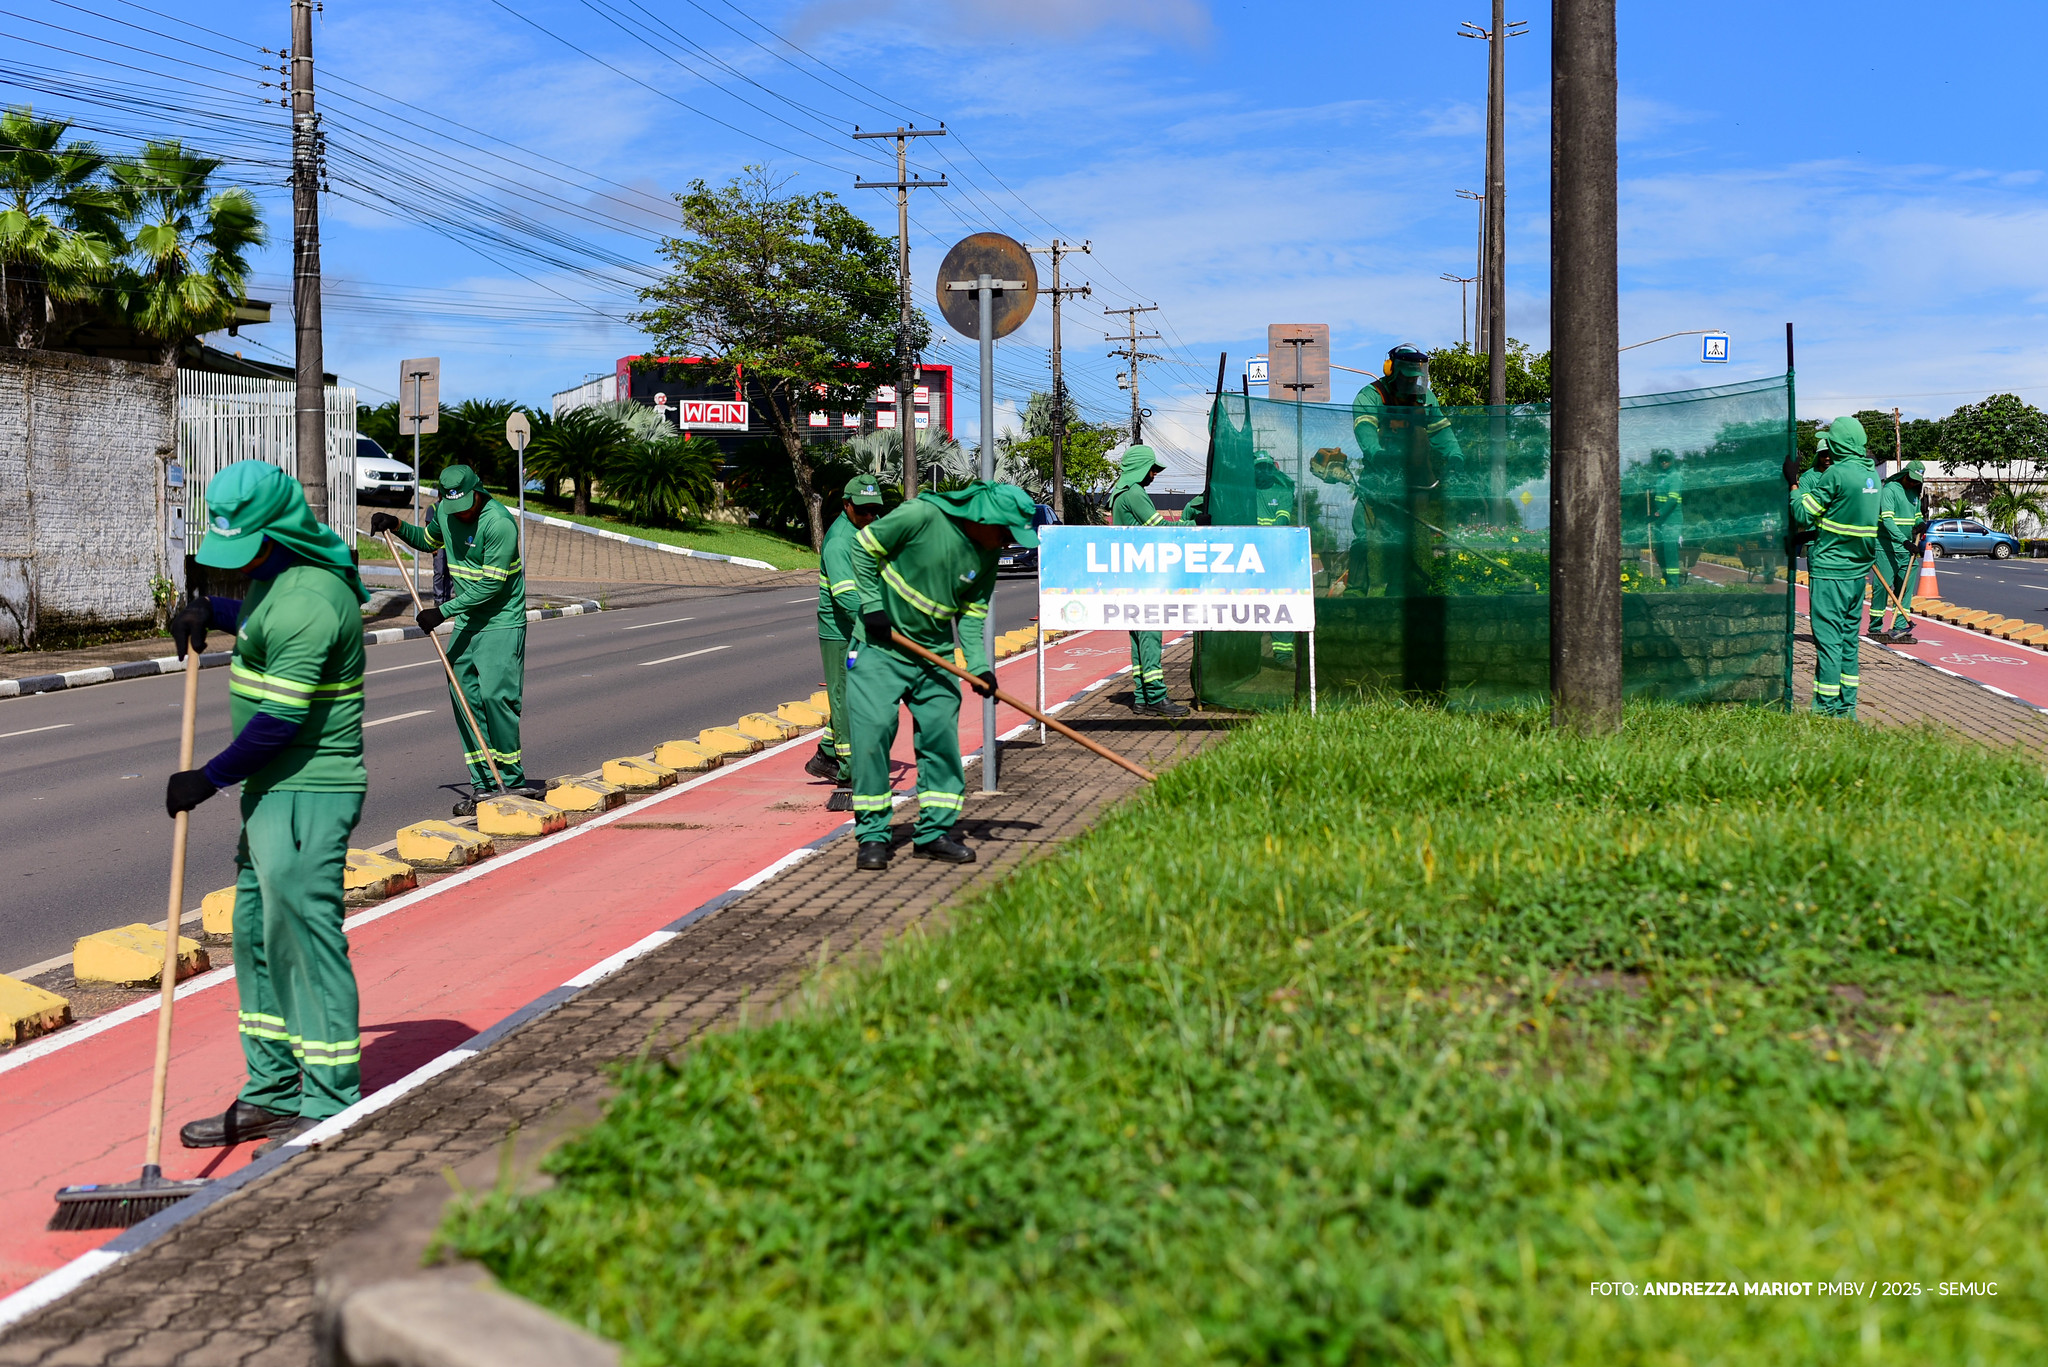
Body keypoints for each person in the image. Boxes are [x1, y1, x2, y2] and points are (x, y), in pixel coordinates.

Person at [164, 461, 369, 1153]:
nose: (237, 564)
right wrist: (211, 613)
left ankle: (331, 1097)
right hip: (271, 793)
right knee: (255, 935)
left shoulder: (313, 596)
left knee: (302, 940)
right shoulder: (275, 578)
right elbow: (259, 621)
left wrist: (207, 777)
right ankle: (274, 1089)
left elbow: (279, 722)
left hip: (308, 788)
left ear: (277, 529)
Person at [847, 480, 1040, 871]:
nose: (1007, 543)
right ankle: (872, 836)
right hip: (879, 648)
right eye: (1005, 533)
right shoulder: (921, 515)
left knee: (940, 740)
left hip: (933, 655)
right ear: (984, 518)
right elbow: (862, 548)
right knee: (872, 738)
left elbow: (971, 616)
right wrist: (871, 605)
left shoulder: (986, 556)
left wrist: (979, 666)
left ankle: (934, 832)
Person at [369, 465, 539, 813]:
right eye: (452, 507)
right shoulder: (447, 515)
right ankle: (484, 783)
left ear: (478, 491)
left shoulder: (499, 524)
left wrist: (442, 612)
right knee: (464, 697)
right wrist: (397, 525)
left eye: (464, 507)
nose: (459, 514)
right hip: (467, 620)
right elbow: (426, 540)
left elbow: (491, 586)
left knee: (496, 698)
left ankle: (512, 779)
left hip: (501, 621)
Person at [1324, 344, 1465, 598]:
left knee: (1412, 541)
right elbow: (1365, 430)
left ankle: (1404, 594)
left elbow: (1442, 431)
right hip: (1378, 479)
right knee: (1366, 536)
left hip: (1415, 485)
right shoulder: (1371, 396)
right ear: (1391, 370)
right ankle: (1357, 591)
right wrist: (1377, 454)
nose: (1412, 383)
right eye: (1406, 377)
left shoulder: (1425, 398)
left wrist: (1455, 456)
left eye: (1416, 377)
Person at [1792, 416, 1881, 717]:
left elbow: (1803, 515)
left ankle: (1825, 711)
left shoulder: (1836, 475)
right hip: (1858, 573)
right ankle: (1847, 708)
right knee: (1847, 641)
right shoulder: (1872, 476)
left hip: (1830, 570)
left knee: (1828, 641)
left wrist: (1793, 486)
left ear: (1841, 444)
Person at [807, 473, 887, 808]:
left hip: (863, 625)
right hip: (841, 632)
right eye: (863, 510)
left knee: (863, 695)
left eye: (874, 510)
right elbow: (846, 598)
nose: (870, 516)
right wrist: (877, 624)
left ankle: (825, 754)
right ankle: (849, 772)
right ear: (846, 505)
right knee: (843, 700)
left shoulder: (869, 530)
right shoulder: (839, 541)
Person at [1111, 445, 1190, 717]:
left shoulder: (1118, 495)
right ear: (1140, 468)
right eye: (1152, 468)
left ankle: (1142, 697)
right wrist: (1194, 525)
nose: (1154, 474)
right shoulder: (1134, 493)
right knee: (1150, 635)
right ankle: (1156, 696)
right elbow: (1162, 529)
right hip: (1143, 575)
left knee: (1137, 637)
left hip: (1128, 574)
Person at [1871, 459, 1926, 644]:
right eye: (1910, 479)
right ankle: (1875, 627)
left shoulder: (1915, 493)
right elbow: (1887, 520)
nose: (1912, 483)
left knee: (1905, 590)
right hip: (1886, 548)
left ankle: (1900, 627)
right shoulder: (1889, 490)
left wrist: (1920, 524)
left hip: (1907, 550)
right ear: (1904, 475)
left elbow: (1916, 514)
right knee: (1882, 588)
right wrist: (1903, 540)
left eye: (1916, 481)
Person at [1251, 452, 1298, 665]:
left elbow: (1282, 520)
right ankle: (1248, 653)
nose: (1263, 471)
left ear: (1273, 468)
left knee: (1279, 602)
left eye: (1266, 467)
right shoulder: (1246, 492)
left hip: (1275, 556)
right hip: (1249, 557)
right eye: (1259, 467)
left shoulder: (1282, 491)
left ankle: (1283, 655)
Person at [1649, 449, 1685, 587]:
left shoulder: (1675, 476)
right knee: (1661, 552)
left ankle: (1673, 584)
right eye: (1661, 460)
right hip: (1660, 522)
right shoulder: (1660, 477)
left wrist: (1660, 513)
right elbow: (1658, 496)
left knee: (1670, 552)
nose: (1664, 462)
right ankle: (1666, 579)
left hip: (1672, 520)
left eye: (1666, 459)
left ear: (1672, 460)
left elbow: (1673, 500)